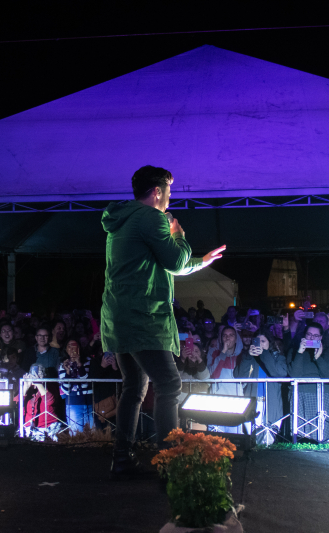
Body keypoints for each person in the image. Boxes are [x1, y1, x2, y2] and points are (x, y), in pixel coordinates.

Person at [101, 165, 225, 477]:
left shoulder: (124, 220)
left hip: (120, 318)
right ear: (157, 192)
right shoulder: (152, 217)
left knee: (133, 386)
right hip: (143, 318)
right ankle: (170, 463)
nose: (170, 197)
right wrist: (180, 235)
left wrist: (200, 262)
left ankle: (122, 459)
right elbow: (173, 258)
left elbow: (170, 264)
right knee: (169, 384)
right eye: (169, 190)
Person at [235, 332, 288, 444]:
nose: (260, 345)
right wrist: (248, 357)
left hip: (271, 403)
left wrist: (264, 354)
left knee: (268, 440)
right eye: (257, 341)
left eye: (263, 341)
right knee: (253, 439)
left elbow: (279, 373)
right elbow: (239, 376)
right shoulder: (248, 357)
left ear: (270, 343)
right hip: (253, 402)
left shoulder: (278, 357)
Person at [287, 322, 329, 442]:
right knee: (302, 435)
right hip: (301, 395)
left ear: (321, 337)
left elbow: (328, 375)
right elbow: (294, 375)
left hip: (323, 396)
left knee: (325, 434)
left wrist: (318, 357)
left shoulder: (327, 351)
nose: (312, 338)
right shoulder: (294, 351)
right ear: (304, 336)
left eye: (315, 336)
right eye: (309, 334)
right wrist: (299, 353)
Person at [20, 365, 63, 442]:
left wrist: (38, 384)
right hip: (29, 429)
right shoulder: (27, 389)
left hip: (48, 429)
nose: (35, 376)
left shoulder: (49, 386)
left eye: (39, 373)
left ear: (44, 376)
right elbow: (17, 405)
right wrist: (25, 388)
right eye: (33, 374)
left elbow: (50, 401)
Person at [58, 339, 92, 433]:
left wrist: (79, 364)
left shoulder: (88, 361)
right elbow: (65, 389)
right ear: (66, 349)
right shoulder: (63, 365)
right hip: (73, 403)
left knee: (93, 433)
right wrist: (68, 372)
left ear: (79, 348)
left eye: (74, 346)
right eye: (69, 346)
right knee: (77, 434)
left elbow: (85, 380)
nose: (72, 349)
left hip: (89, 401)